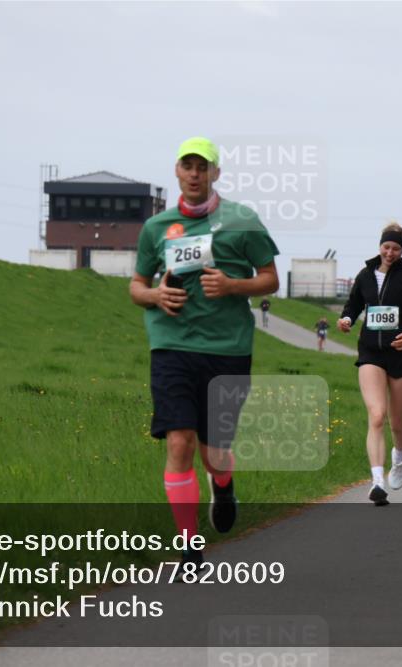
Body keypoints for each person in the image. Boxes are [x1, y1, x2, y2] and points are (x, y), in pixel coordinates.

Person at [129, 137, 279, 567]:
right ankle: (189, 545)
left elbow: (270, 279)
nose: (194, 174)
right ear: (176, 170)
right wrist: (155, 296)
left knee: (214, 450)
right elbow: (136, 286)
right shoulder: (156, 228)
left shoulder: (242, 220)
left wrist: (233, 286)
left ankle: (224, 483)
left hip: (227, 349)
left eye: (203, 167)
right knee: (179, 440)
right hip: (172, 346)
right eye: (187, 165)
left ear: (215, 173)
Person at [338, 222, 402, 506]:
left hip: (401, 354)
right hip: (371, 352)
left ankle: (400, 457)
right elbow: (353, 306)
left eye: (396, 248)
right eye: (386, 247)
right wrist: (346, 319)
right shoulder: (365, 275)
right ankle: (377, 481)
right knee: (377, 415)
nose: (390, 252)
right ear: (379, 246)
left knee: (396, 421)